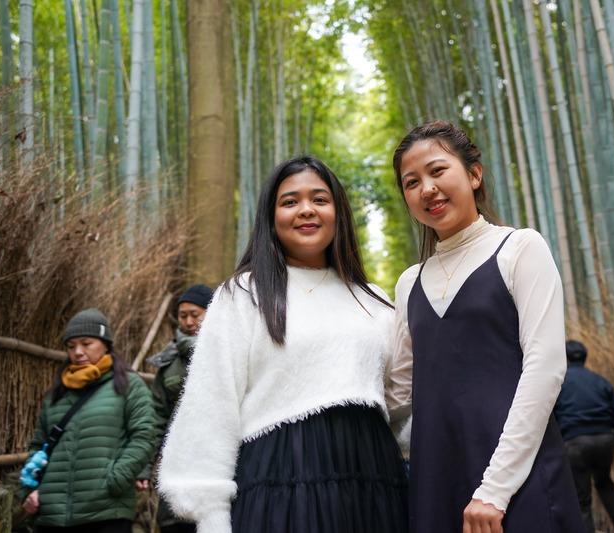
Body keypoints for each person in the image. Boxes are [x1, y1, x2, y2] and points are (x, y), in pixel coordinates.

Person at [157, 156, 408, 533]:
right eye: (290, 201)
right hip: (281, 484)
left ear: (338, 212)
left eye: (320, 200)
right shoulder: (242, 294)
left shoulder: (373, 300)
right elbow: (212, 404)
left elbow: (401, 404)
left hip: (372, 481)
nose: (306, 210)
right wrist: (210, 512)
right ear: (271, 218)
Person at [386, 120, 584, 533]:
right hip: (436, 482)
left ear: (474, 175)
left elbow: (545, 369)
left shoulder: (519, 249)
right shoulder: (409, 283)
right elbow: (398, 393)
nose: (426, 189)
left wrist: (495, 489)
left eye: (438, 171)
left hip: (517, 479)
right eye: (411, 182)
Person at [21, 308, 156, 533]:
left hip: (105, 512)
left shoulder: (128, 386)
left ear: (105, 344)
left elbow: (144, 436)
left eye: (86, 343)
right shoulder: (57, 393)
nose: (78, 352)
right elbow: (38, 445)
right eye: (71, 346)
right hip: (53, 516)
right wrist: (29, 491)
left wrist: (115, 480)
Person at [140, 284, 213, 533]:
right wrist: (145, 466)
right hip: (177, 461)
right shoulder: (169, 362)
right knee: (174, 523)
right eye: (183, 316)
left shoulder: (227, 353)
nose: (189, 321)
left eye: (196, 314)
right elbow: (156, 418)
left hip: (216, 460)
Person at [554, 340, 614, 533]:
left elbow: (553, 418)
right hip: (605, 441)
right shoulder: (601, 381)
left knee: (582, 500)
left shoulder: (558, 383)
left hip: (575, 444)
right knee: (604, 482)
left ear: (562, 358)